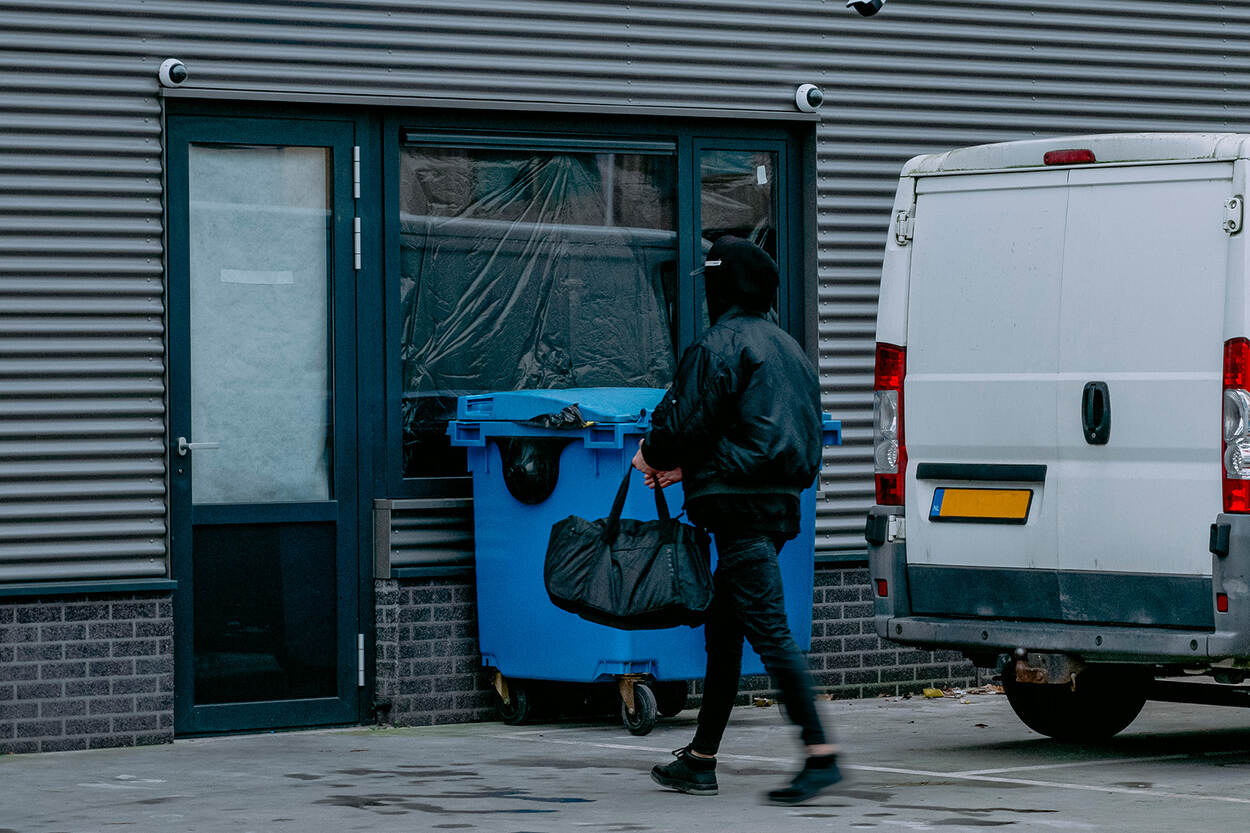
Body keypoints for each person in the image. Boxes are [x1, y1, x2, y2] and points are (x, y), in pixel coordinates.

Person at [631, 235, 841, 805]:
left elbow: (686, 421)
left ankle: (821, 754)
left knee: (770, 630)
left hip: (737, 507)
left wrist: (654, 454)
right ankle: (700, 760)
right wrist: (695, 467)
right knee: (724, 632)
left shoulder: (718, 343)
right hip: (774, 504)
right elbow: (767, 431)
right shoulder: (789, 349)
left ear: (722, 287)